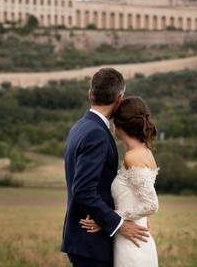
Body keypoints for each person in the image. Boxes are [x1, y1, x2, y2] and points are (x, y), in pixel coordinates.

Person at [61, 68, 151, 267]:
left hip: (84, 241)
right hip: (91, 244)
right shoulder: (97, 134)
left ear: (90, 94)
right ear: (119, 98)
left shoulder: (80, 126)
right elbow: (83, 190)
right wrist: (118, 224)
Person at [79, 95, 160, 267]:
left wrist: (109, 220)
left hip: (133, 244)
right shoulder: (142, 152)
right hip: (133, 237)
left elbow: (151, 204)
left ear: (119, 125)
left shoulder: (133, 156)